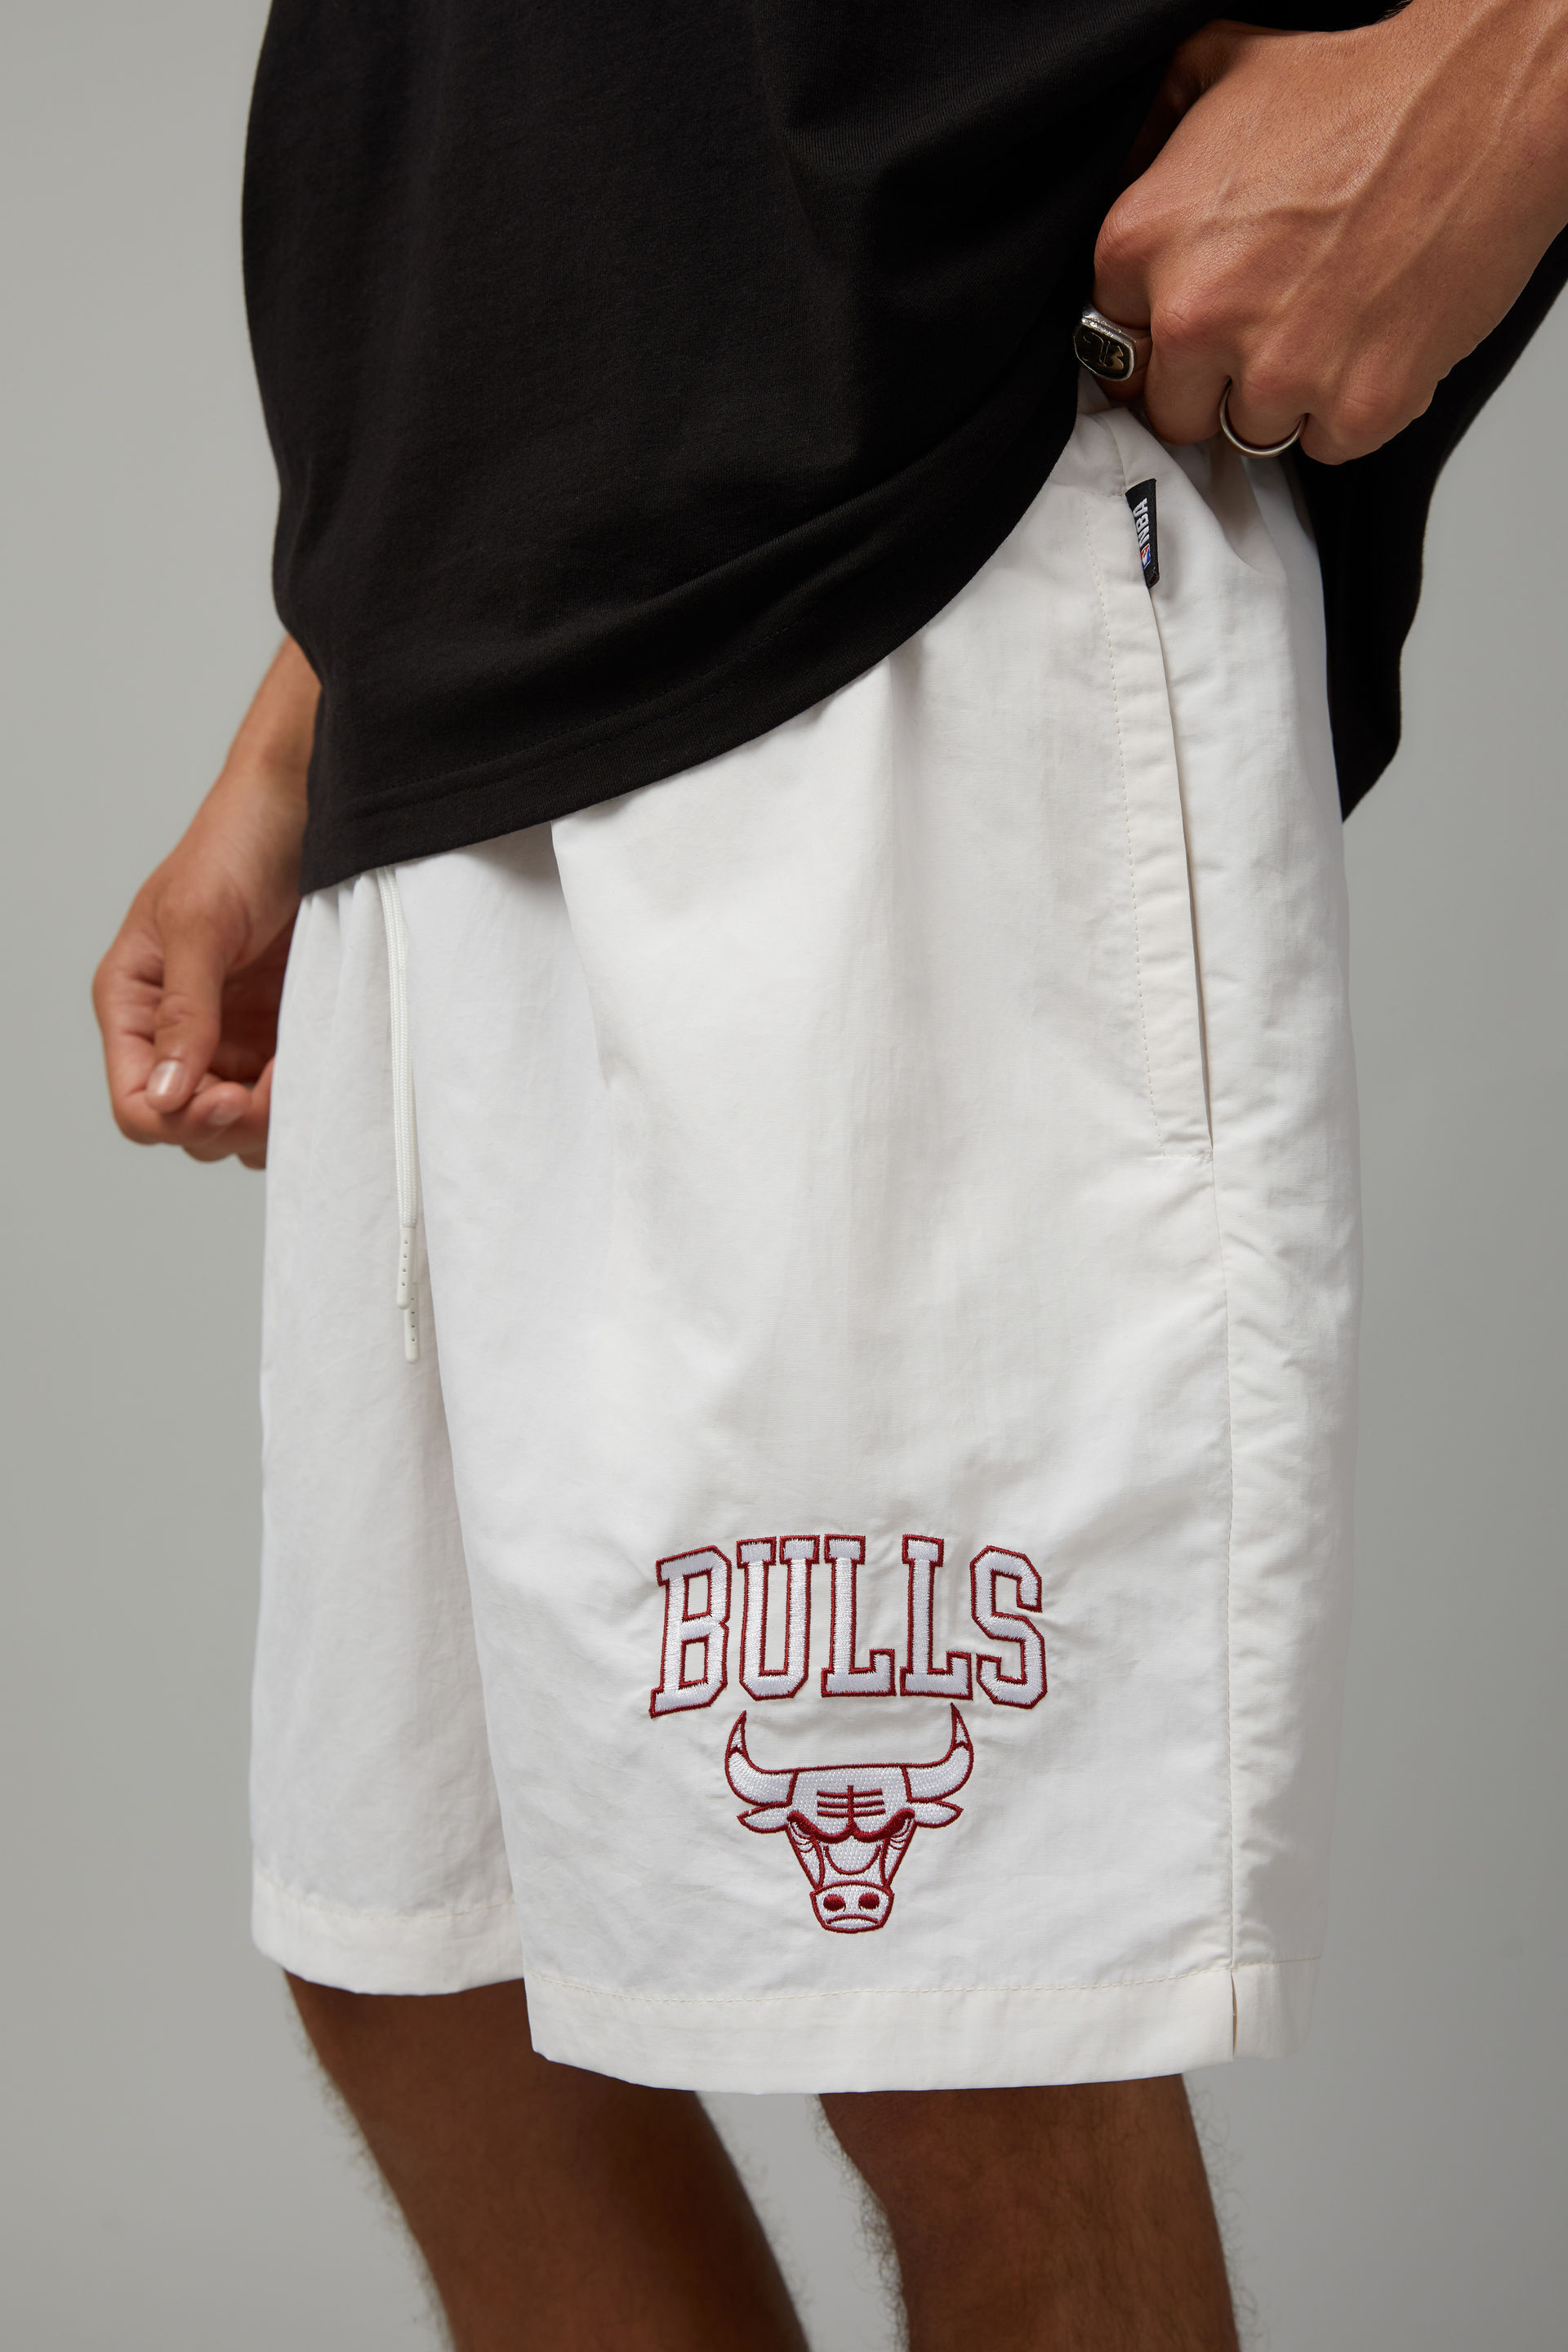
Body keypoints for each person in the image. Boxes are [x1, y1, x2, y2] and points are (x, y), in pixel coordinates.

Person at [92, 2, 1567, 2345]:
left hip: (907, 524)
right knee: (422, 1966)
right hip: (464, 634)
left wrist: (1527, 56)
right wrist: (309, 714)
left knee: (953, 2027)